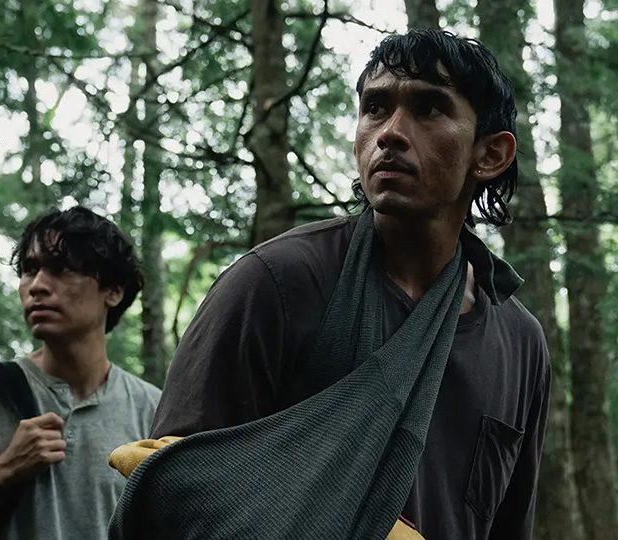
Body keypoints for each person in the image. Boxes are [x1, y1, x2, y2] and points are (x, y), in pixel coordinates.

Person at [147, 30, 550, 540]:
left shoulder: (519, 343)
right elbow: (170, 495)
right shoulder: (276, 285)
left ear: (490, 154)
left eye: (429, 109)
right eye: (375, 108)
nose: (391, 133)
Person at [0, 206, 161, 539]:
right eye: (30, 269)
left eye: (62, 268)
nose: (37, 285)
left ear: (114, 290)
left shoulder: (153, 409)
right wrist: (2, 470)